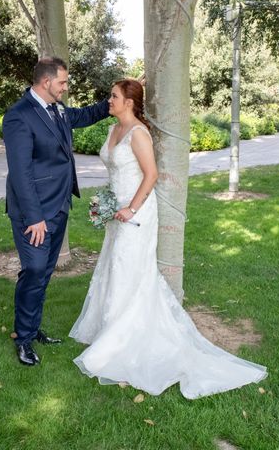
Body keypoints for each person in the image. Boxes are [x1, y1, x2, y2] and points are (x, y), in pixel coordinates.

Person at [69, 79, 267, 399]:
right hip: (116, 211)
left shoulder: (138, 134)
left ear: (130, 103)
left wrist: (131, 209)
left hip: (136, 214)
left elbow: (151, 175)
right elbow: (116, 173)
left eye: (114, 96)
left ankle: (125, 340)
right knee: (113, 268)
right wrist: (107, 202)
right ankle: (109, 331)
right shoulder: (112, 131)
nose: (109, 100)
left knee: (128, 270)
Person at [2, 57, 109, 366]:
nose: (66, 87)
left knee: (44, 272)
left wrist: (115, 97)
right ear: (46, 82)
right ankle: (23, 338)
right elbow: (20, 173)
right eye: (62, 82)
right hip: (33, 212)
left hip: (60, 203)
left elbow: (87, 114)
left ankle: (33, 329)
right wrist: (34, 217)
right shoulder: (19, 117)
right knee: (34, 270)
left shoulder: (58, 110)